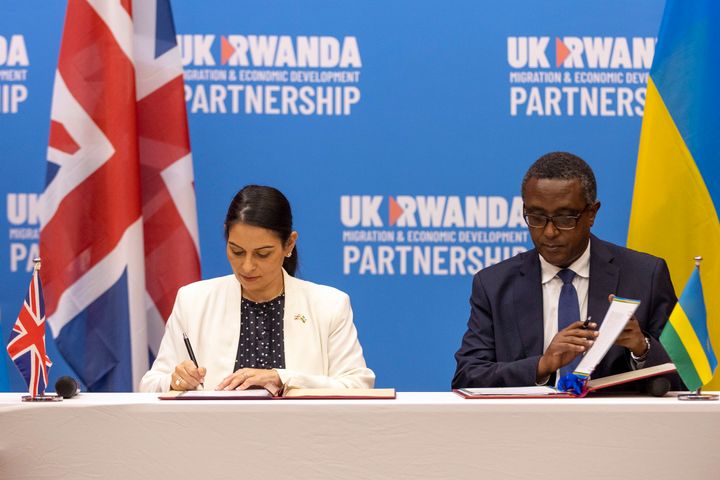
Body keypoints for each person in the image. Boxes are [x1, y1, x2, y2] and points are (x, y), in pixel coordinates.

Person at [452, 152, 679, 388]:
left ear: (591, 213)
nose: (549, 232)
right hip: (527, 423)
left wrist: (641, 348)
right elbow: (468, 376)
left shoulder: (645, 276)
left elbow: (684, 380)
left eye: (565, 218)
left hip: (613, 423)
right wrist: (542, 365)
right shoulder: (494, 284)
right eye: (536, 217)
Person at [140, 185, 374, 393]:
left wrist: (284, 379)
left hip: (302, 438)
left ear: (289, 244)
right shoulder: (193, 301)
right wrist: (176, 382)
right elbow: (151, 384)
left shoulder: (329, 305)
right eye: (237, 251)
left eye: (263, 254)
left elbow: (358, 385)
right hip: (212, 438)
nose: (247, 266)